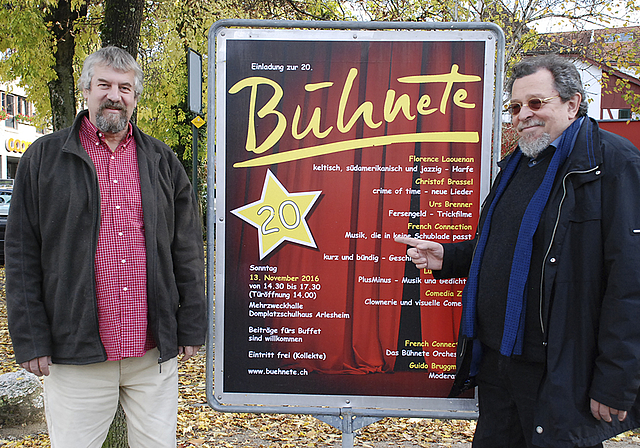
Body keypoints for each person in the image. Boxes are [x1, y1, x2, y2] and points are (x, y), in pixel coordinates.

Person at [396, 54, 640, 448]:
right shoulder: (519, 163)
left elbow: (631, 282)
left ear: (572, 104)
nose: (523, 115)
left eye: (536, 103)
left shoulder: (612, 164)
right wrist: (451, 257)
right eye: (515, 106)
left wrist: (616, 378)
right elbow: (511, 247)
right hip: (498, 362)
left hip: (558, 372)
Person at [5, 46, 206, 447]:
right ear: (86, 90)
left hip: (152, 352)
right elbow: (22, 254)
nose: (115, 95)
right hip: (74, 350)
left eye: (125, 87)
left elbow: (186, 249)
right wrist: (30, 338)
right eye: (104, 85)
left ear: (134, 96)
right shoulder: (42, 158)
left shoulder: (163, 162)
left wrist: (192, 324)